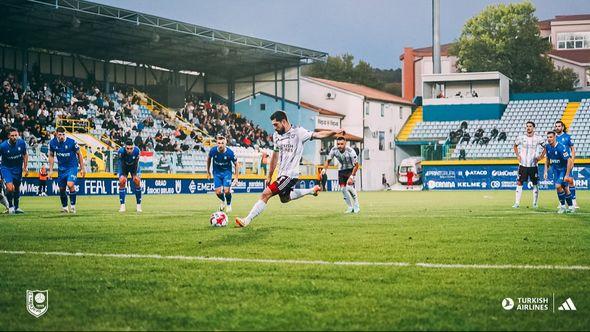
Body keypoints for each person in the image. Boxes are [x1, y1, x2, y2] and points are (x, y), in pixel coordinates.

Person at [235, 110, 343, 227]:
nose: (274, 128)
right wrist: (269, 176)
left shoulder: (299, 132)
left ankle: (247, 220)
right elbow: (275, 157)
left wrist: (334, 132)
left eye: (276, 124)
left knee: (265, 194)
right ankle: (311, 190)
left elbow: (318, 135)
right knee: (285, 198)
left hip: (290, 175)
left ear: (284, 121)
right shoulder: (276, 136)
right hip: (281, 174)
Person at [48, 127, 85, 213]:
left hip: (72, 167)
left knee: (70, 184)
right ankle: (65, 207)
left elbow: (79, 154)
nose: (62, 136)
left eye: (63, 134)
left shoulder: (72, 142)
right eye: (60, 134)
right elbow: (51, 155)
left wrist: (82, 168)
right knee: (61, 189)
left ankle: (73, 206)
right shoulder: (52, 143)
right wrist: (50, 170)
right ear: (56, 134)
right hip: (61, 169)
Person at [323, 136, 360, 213]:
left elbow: (356, 165)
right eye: (338, 144)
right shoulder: (334, 150)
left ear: (345, 143)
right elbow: (328, 160)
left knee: (349, 187)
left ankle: (356, 205)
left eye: (341, 144)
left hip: (351, 169)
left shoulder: (351, 151)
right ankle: (350, 207)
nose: (339, 146)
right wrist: (324, 169)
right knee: (343, 189)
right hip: (342, 169)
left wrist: (352, 176)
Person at [512, 121, 545, 208]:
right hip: (523, 165)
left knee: (535, 183)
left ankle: (535, 203)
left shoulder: (538, 138)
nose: (528, 128)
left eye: (530, 126)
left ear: (534, 128)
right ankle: (517, 203)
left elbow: (546, 147)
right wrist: (518, 155)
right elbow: (515, 146)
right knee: (519, 182)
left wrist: (541, 157)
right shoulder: (521, 138)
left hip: (533, 165)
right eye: (527, 126)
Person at [544, 131, 574, 214]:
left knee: (557, 186)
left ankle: (563, 207)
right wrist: (545, 171)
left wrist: (567, 175)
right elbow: (547, 160)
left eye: (551, 137)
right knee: (564, 188)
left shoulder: (561, 147)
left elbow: (569, 161)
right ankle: (571, 207)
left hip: (563, 170)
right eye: (548, 137)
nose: (549, 139)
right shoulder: (547, 147)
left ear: (555, 137)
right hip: (555, 170)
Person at [207, 135, 239, 213]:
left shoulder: (230, 153)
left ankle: (228, 204)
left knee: (226, 190)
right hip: (216, 172)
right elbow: (208, 159)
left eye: (222, 143)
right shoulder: (213, 150)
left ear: (225, 143)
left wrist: (236, 177)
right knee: (218, 192)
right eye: (219, 143)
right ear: (217, 143)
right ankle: (223, 201)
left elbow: (236, 164)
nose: (220, 145)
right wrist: (208, 172)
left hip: (226, 172)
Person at [0, 128, 28, 213]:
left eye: (16, 135)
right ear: (8, 136)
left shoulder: (22, 143)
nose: (15, 137)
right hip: (6, 168)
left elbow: (25, 154)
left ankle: (16, 207)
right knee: (10, 188)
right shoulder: (3, 146)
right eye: (12, 135)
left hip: (18, 168)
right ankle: (11, 206)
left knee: (17, 188)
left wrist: (25, 167)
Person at [554, 121, 578, 209]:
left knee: (570, 180)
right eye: (556, 126)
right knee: (560, 184)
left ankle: (574, 201)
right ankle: (562, 202)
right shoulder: (554, 137)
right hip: (557, 165)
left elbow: (572, 149)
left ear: (562, 127)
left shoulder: (567, 137)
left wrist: (572, 161)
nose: (557, 128)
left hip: (566, 163)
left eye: (559, 126)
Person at [118, 139, 142, 213]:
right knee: (122, 181)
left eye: (131, 148)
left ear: (133, 147)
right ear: (125, 147)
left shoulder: (137, 151)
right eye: (127, 148)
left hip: (134, 167)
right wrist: (123, 175)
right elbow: (120, 163)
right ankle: (122, 205)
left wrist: (135, 175)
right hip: (124, 167)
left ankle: (138, 205)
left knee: (137, 181)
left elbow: (136, 163)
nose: (129, 150)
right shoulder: (121, 151)